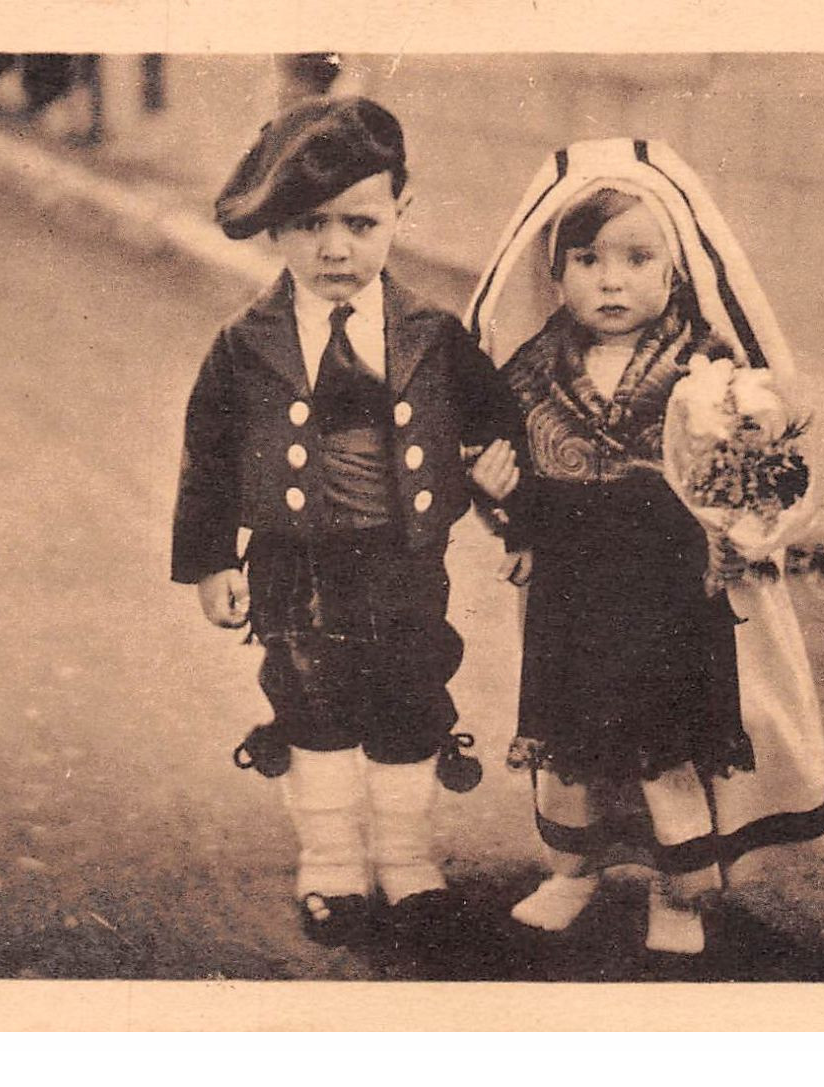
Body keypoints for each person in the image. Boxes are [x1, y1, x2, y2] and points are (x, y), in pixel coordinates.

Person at [467, 138, 824, 956]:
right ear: (555, 271)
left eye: (637, 257)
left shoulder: (708, 374)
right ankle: (573, 868)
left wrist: (743, 523)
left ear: (675, 272)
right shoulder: (532, 373)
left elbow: (746, 474)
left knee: (665, 750)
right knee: (571, 749)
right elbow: (513, 473)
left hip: (669, 598)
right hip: (571, 596)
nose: (611, 279)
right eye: (586, 258)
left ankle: (679, 889)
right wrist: (507, 501)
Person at [171, 95, 522, 948]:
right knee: (310, 704)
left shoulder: (434, 334)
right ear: (274, 230)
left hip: (403, 562)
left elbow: (497, 417)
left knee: (408, 700)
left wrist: (500, 465)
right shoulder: (244, 342)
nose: (335, 247)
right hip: (293, 565)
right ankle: (330, 862)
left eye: (361, 223)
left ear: (402, 211)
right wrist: (211, 559)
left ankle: (407, 863)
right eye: (308, 222)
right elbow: (209, 454)